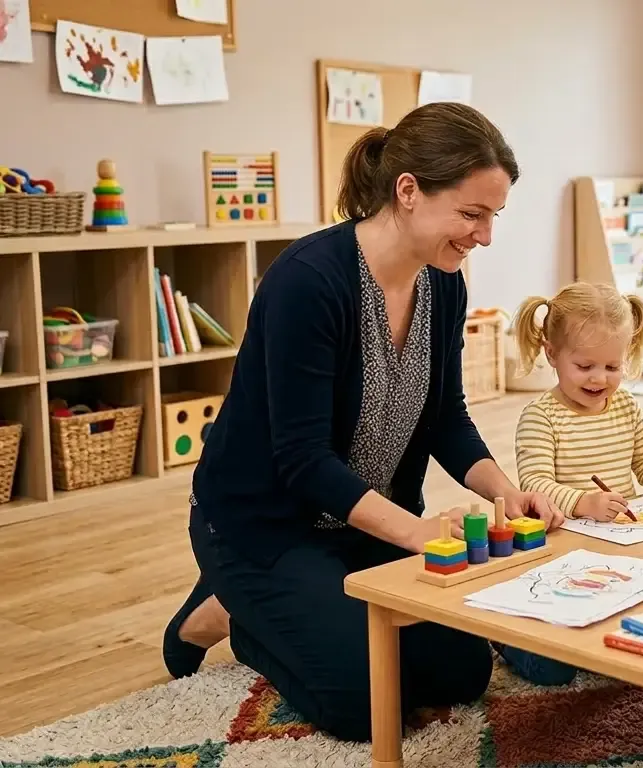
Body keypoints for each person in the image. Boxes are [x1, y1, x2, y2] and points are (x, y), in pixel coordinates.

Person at [160, 103, 573, 743]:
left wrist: (503, 490)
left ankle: (283, 607)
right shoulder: (308, 281)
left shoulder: (445, 283)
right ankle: (230, 610)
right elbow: (301, 461)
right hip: (265, 526)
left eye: (493, 216)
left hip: (362, 524)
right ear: (407, 191)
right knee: (363, 707)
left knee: (460, 673)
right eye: (471, 214)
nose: (484, 236)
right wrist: (415, 533)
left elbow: (445, 418)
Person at [513, 282, 643, 524]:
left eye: (612, 367)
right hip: (568, 534)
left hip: (622, 530)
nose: (599, 378)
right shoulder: (540, 416)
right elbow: (535, 485)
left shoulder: (625, 404)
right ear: (551, 353)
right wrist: (584, 503)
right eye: (584, 366)